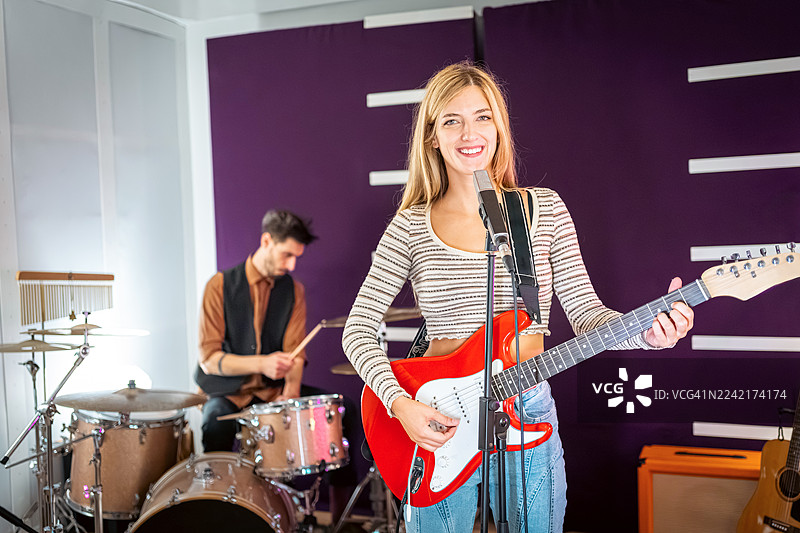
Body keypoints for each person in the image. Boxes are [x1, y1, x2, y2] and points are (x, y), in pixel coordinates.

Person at [341, 62, 694, 532]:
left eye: (482, 117)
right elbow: (357, 331)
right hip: (438, 417)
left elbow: (587, 315)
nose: (470, 133)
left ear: (499, 127)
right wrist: (400, 405)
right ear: (432, 136)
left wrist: (646, 336)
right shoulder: (410, 226)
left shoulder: (544, 209)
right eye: (452, 121)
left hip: (527, 407)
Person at [195, 209, 360, 529]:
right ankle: (216, 514)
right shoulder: (219, 285)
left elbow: (296, 353)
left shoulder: (293, 290)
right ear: (266, 241)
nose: (292, 265)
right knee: (214, 424)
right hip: (228, 393)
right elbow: (209, 358)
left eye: (296, 257)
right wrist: (263, 363)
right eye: (287, 255)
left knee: (343, 411)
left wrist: (291, 392)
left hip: (273, 392)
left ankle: (341, 522)